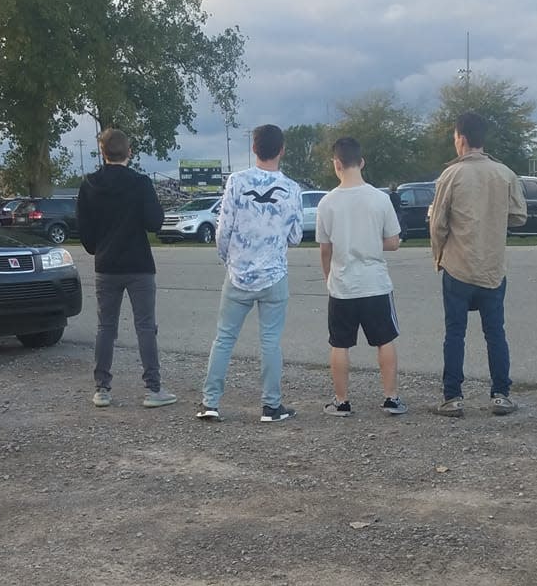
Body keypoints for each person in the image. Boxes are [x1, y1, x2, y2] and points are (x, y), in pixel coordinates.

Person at [198, 123, 303, 423]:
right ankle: (271, 406)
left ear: (253, 148)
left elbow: (223, 229)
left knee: (225, 338)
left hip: (238, 274)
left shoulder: (237, 181)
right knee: (270, 341)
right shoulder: (292, 189)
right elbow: (295, 237)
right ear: (281, 149)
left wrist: (228, 260)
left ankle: (210, 403)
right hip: (274, 275)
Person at [428, 110, 527, 417]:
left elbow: (438, 224)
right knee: (495, 332)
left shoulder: (451, 175)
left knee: (455, 332)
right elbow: (519, 216)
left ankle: (453, 396)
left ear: (462, 139)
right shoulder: (504, 173)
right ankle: (500, 394)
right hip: (493, 267)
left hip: (458, 265)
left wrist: (439, 256)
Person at [77, 127, 176, 409]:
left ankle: (102, 389)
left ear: (102, 152)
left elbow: (84, 229)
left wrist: (97, 248)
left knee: (105, 326)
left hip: (106, 265)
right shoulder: (140, 183)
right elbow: (154, 223)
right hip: (139, 264)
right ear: (129, 152)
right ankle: (153, 389)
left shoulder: (89, 185)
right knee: (145, 326)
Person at [315, 136, 406, 417]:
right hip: (375, 283)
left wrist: (328, 275)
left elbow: (325, 249)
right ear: (362, 162)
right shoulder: (380, 199)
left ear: (337, 164)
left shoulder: (327, 203)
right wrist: (369, 242)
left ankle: (342, 401)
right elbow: (393, 241)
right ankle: (390, 397)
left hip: (342, 285)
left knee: (339, 343)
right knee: (385, 339)